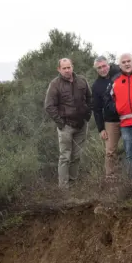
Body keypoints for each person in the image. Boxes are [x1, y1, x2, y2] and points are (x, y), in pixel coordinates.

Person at [44, 58, 92, 188]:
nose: (67, 70)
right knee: (65, 157)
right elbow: (49, 106)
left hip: (81, 125)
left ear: (72, 67)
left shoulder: (82, 80)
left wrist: (87, 115)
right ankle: (63, 188)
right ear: (59, 69)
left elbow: (89, 98)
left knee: (77, 156)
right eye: (64, 68)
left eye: (69, 67)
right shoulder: (55, 84)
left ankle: (73, 183)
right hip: (66, 126)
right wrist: (61, 123)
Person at [91, 56, 122, 181]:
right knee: (110, 151)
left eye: (104, 66)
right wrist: (101, 129)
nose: (102, 69)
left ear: (108, 65)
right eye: (99, 68)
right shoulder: (96, 86)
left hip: (127, 117)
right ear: (96, 70)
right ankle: (111, 178)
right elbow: (97, 109)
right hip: (110, 121)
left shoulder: (120, 75)